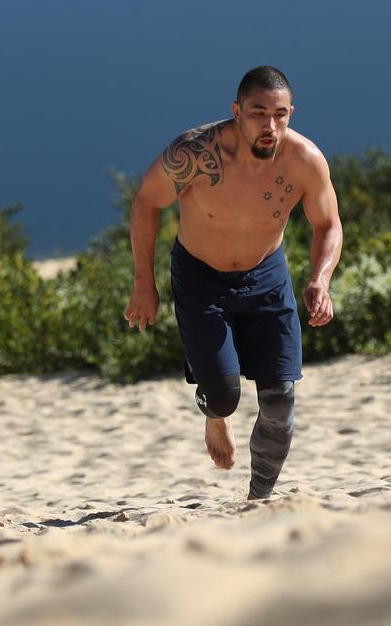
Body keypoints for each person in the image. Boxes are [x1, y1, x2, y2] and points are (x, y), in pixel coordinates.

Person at [123, 66, 343, 500]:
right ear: (236, 111)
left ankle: (259, 499)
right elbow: (147, 201)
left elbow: (328, 224)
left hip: (266, 275)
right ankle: (215, 411)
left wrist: (321, 280)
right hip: (201, 276)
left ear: (291, 113)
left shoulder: (305, 160)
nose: (270, 125)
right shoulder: (194, 154)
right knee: (223, 396)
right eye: (258, 113)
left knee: (280, 401)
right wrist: (142, 283)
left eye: (280, 114)